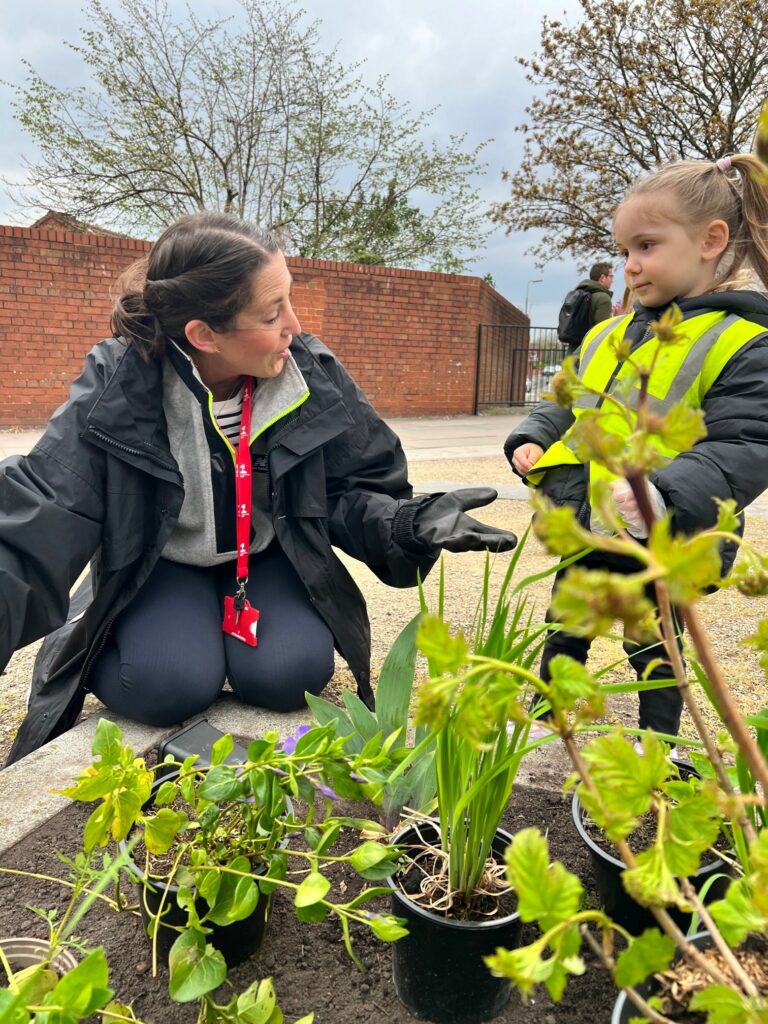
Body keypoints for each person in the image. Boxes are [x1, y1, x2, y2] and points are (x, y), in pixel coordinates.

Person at [1, 212, 517, 766]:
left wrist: (406, 526)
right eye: (273, 313)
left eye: (289, 300)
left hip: (266, 555)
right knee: (166, 684)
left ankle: (228, 630)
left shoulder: (310, 373)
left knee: (288, 676)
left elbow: (352, 490)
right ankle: (116, 627)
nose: (295, 325)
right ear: (204, 334)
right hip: (163, 563)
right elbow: (47, 507)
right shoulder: (118, 387)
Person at [505, 153, 768, 741]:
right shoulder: (607, 331)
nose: (630, 267)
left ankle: (661, 743)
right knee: (566, 623)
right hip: (590, 515)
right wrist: (532, 436)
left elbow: (746, 444)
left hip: (667, 533)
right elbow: (566, 399)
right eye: (624, 251)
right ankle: (550, 722)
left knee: (654, 645)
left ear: (711, 240)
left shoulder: (743, 342)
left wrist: (663, 492)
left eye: (646, 246)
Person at [578, 261, 615, 326]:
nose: (612, 280)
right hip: (590, 336)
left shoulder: (580, 293)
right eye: (611, 276)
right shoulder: (603, 298)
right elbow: (604, 330)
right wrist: (617, 318)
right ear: (603, 278)